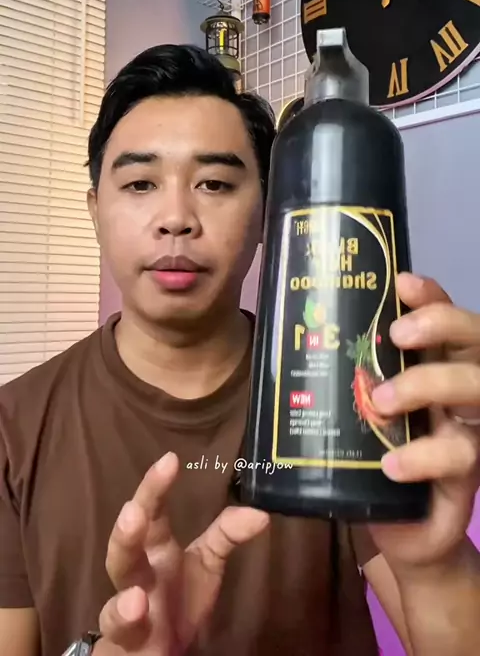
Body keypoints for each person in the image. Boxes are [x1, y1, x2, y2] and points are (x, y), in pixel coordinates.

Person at [0, 44, 479, 656]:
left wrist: (435, 565)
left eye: (215, 183)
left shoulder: (347, 398)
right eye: (140, 183)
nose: (176, 218)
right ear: (96, 210)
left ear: (269, 213)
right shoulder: (14, 430)